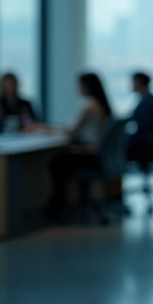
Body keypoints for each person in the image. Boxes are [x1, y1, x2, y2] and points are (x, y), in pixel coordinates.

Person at [42, 72, 114, 218]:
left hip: (90, 154)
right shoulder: (101, 104)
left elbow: (73, 132)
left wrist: (46, 128)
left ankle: (58, 205)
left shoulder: (89, 105)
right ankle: (66, 203)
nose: (77, 88)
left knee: (56, 164)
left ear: (86, 87)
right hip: (98, 155)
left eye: (79, 85)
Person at [126, 72, 153, 163]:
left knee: (118, 147)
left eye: (134, 82)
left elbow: (142, 127)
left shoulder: (147, 103)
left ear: (139, 82)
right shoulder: (149, 99)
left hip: (147, 143)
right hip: (150, 141)